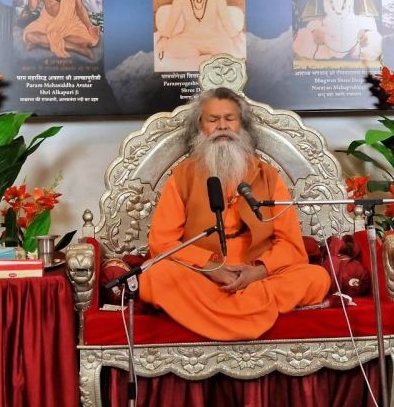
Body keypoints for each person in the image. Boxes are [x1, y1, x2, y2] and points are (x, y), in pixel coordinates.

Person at [139, 87, 331, 341]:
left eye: (230, 119)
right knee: (155, 277)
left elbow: (291, 245)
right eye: (213, 120)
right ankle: (250, 313)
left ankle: (217, 315)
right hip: (202, 278)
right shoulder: (183, 176)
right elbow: (162, 242)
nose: (222, 126)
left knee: (316, 278)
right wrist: (210, 268)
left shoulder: (268, 176)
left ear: (242, 125)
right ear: (200, 126)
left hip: (257, 279)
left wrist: (259, 271)